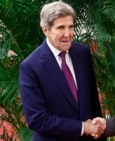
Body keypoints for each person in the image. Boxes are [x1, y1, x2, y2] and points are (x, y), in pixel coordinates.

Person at [19, 1, 106, 141]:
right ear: (46, 30)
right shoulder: (30, 67)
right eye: (61, 28)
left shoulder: (82, 53)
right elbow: (37, 119)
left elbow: (93, 103)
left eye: (71, 27)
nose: (68, 34)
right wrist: (82, 127)